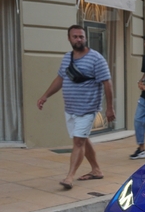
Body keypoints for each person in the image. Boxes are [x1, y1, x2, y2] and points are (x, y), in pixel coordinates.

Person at [37, 24, 115, 189]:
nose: (79, 39)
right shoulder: (67, 58)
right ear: (69, 38)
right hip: (70, 109)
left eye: (81, 36)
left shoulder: (96, 58)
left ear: (85, 38)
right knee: (83, 139)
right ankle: (96, 170)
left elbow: (107, 84)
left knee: (78, 142)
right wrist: (45, 96)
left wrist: (110, 108)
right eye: (75, 37)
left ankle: (69, 177)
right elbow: (60, 79)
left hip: (87, 109)